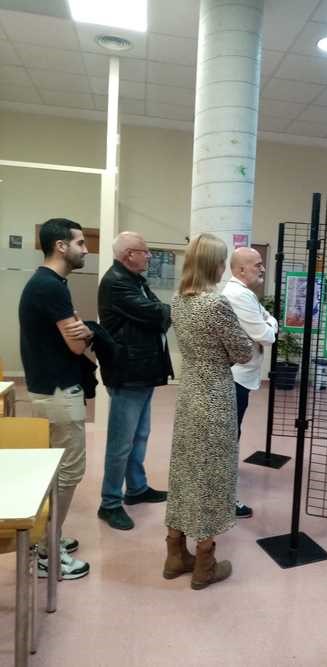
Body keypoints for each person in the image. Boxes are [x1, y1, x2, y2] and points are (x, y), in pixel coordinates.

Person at [163, 233, 253, 590]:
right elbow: (243, 351)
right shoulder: (214, 305)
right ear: (213, 264)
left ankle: (174, 552)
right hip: (215, 394)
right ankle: (205, 561)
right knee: (213, 476)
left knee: (184, 469)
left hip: (188, 395)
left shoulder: (178, 301)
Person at [19, 218, 92, 579]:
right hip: (59, 391)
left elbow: (73, 331)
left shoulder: (46, 283)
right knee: (69, 471)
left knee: (59, 469)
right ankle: (47, 548)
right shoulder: (50, 288)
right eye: (80, 242)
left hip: (51, 388)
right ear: (61, 246)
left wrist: (80, 324)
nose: (86, 248)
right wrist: (86, 331)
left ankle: (47, 536)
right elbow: (77, 345)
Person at [97, 231, 173, 530]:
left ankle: (137, 489)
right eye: (145, 250)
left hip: (140, 372)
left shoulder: (135, 281)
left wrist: (164, 313)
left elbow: (159, 311)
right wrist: (165, 313)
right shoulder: (117, 283)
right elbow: (158, 314)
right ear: (128, 254)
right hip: (127, 373)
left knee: (139, 436)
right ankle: (110, 503)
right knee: (121, 443)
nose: (150, 255)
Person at [222, 247, 278, 518]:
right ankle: (226, 499)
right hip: (236, 379)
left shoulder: (244, 295)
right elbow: (265, 334)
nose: (262, 269)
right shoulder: (239, 296)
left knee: (232, 435)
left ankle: (224, 491)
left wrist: (269, 323)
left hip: (239, 377)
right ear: (241, 269)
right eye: (257, 265)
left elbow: (266, 325)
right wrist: (271, 324)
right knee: (229, 439)